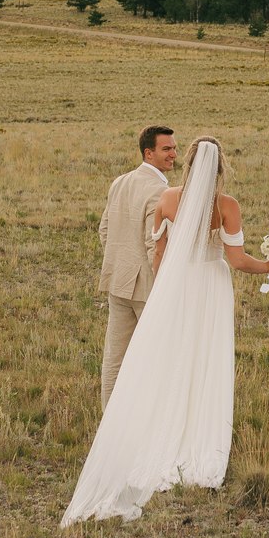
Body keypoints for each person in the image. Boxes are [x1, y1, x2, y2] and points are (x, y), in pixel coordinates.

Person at [61, 134, 269, 524]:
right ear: (220, 168)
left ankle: (137, 431)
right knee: (205, 359)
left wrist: (166, 293)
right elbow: (237, 260)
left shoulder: (167, 200)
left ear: (187, 164)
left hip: (175, 287)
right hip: (210, 288)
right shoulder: (226, 206)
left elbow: (160, 254)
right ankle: (197, 436)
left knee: (167, 358)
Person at [96, 125, 177, 407]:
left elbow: (104, 230)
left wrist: (119, 263)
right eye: (166, 149)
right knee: (160, 359)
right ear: (149, 152)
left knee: (114, 361)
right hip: (146, 288)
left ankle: (110, 426)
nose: (173, 154)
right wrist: (163, 287)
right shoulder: (160, 191)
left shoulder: (120, 181)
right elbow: (154, 244)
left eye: (174, 148)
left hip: (117, 280)